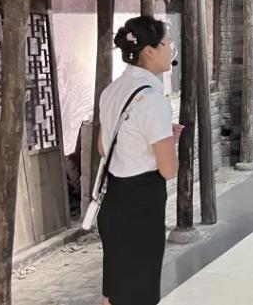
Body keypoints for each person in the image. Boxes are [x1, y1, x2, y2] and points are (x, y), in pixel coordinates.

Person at [98, 16, 183, 305]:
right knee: (140, 292)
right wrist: (168, 143)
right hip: (142, 206)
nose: (170, 48)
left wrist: (156, 138)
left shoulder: (112, 91)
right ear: (149, 51)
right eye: (166, 43)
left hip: (115, 200)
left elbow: (103, 147)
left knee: (114, 292)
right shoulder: (153, 99)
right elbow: (168, 169)